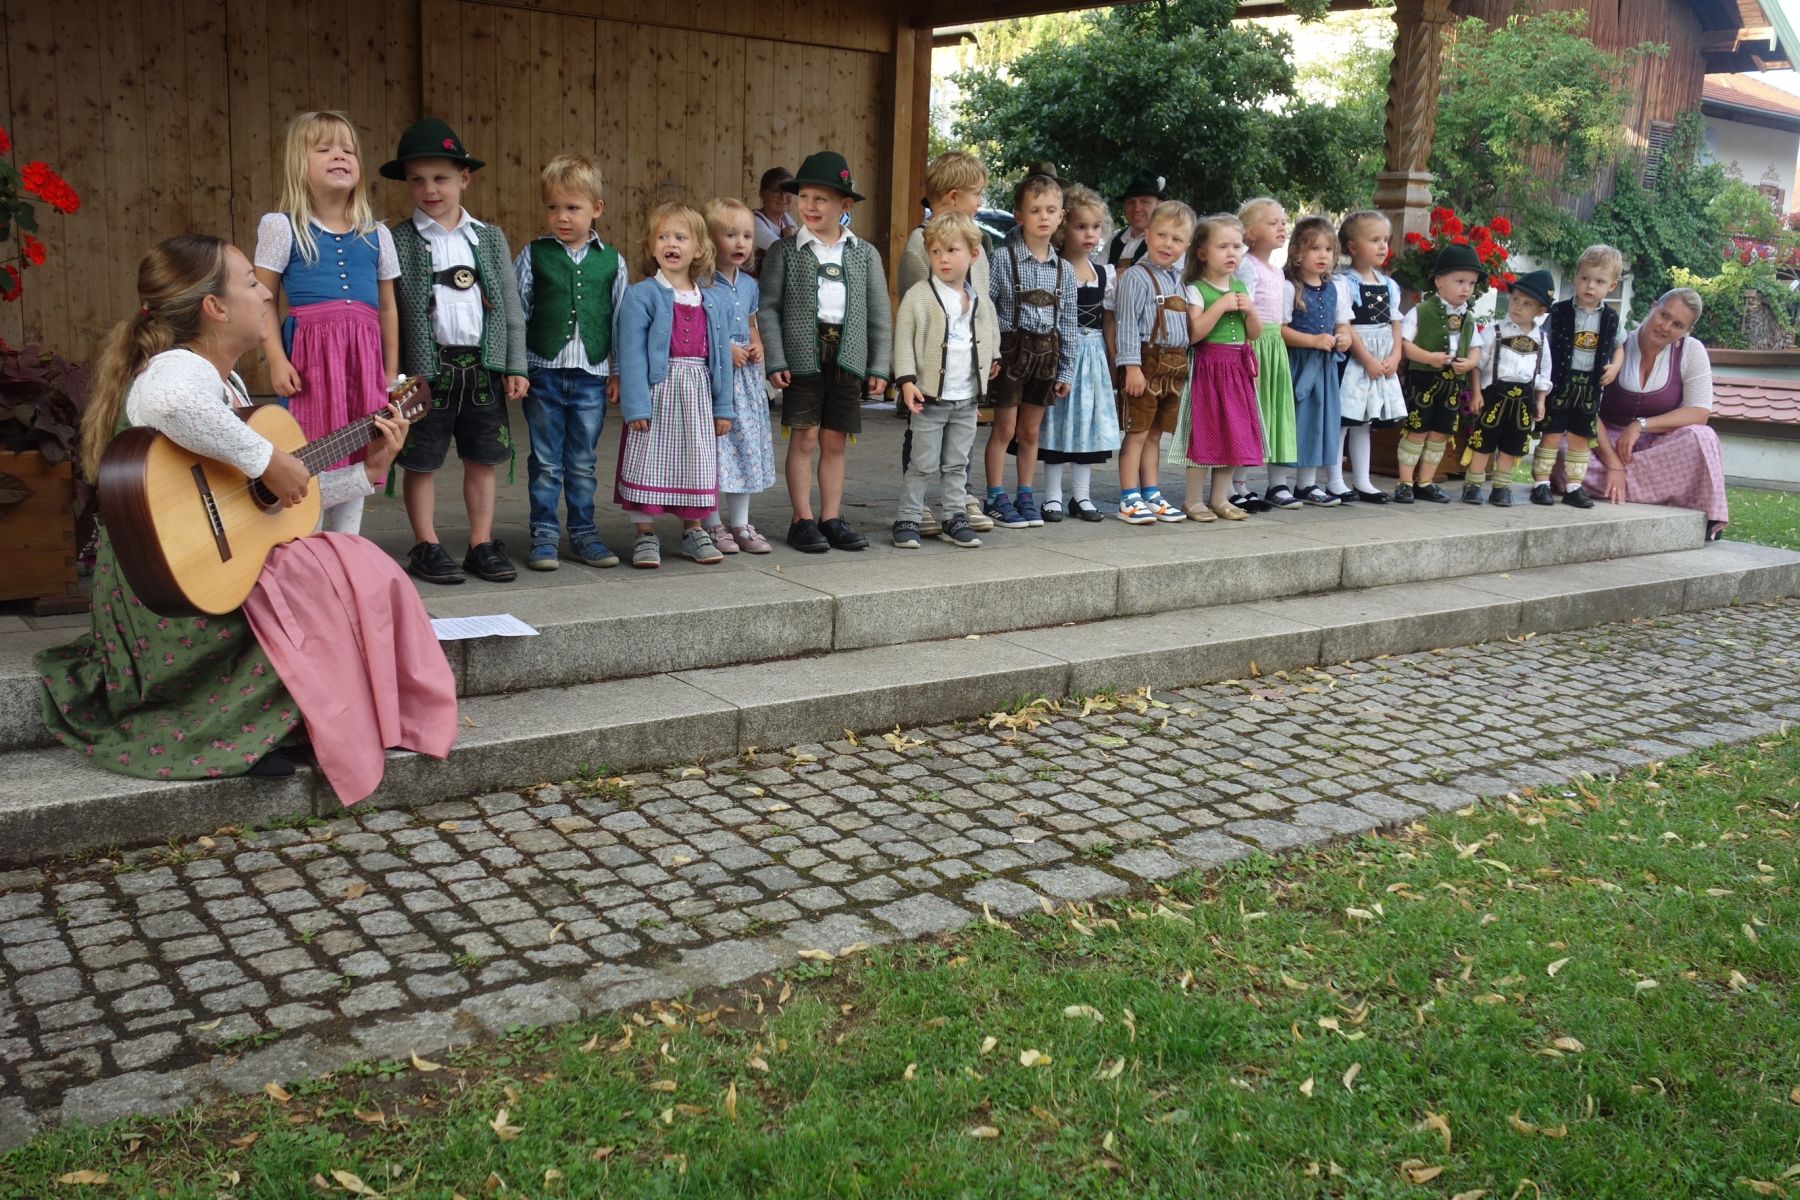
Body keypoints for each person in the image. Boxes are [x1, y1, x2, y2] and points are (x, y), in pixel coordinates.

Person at [38, 234, 455, 802]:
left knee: (343, 565)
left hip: (206, 572)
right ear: (215, 307)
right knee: (340, 573)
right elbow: (170, 405)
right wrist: (267, 458)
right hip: (169, 593)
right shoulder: (176, 368)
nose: (265, 294)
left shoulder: (228, 384)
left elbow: (269, 505)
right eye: (252, 283)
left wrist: (368, 469)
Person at [384, 119, 528, 585]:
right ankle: (426, 544)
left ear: (464, 179)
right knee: (421, 460)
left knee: (482, 459)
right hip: (423, 374)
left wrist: (516, 364)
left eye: (441, 178)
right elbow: (389, 309)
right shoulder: (397, 240)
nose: (430, 189)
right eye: (417, 179)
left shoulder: (488, 237)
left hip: (481, 369)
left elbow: (510, 307)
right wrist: (391, 372)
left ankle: (481, 543)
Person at [252, 110, 400, 535]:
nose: (340, 156)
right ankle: (307, 538)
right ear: (300, 163)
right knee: (310, 445)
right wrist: (276, 359)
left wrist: (389, 373)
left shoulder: (377, 234)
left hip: (362, 359)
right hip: (311, 360)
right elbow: (263, 299)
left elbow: (388, 309)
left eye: (348, 150)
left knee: (358, 443)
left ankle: (346, 542)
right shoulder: (282, 227)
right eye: (324, 149)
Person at [758, 150, 891, 553]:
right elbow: (768, 308)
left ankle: (831, 517)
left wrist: (879, 366)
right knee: (804, 439)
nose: (810, 206)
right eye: (804, 197)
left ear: (844, 205)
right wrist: (775, 359)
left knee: (834, 441)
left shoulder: (864, 254)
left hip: (847, 359)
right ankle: (802, 519)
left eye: (821, 199)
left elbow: (878, 315)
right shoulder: (785, 252)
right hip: (802, 359)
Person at [512, 153, 629, 572]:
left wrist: (617, 372)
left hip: (591, 377)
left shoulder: (612, 261)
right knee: (545, 461)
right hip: (543, 372)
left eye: (573, 208)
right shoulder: (533, 255)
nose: (562, 217)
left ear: (596, 209)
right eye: (553, 207)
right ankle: (544, 534)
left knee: (582, 461)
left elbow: (620, 321)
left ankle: (584, 533)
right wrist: (517, 368)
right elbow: (517, 313)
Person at [614, 202, 736, 568]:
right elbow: (632, 354)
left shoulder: (712, 300)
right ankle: (644, 533)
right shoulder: (641, 295)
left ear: (698, 249)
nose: (671, 243)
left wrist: (723, 407)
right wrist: (636, 405)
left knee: (695, 459)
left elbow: (722, 357)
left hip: (697, 395)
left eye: (680, 237)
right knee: (647, 459)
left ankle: (693, 530)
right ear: (652, 247)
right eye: (663, 237)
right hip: (657, 394)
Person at [893, 150, 996, 538]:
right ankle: (916, 506)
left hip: (965, 367)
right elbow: (914, 311)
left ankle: (960, 499)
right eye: (977, 194)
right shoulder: (920, 244)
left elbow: (984, 307)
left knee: (960, 435)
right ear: (954, 196)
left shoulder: (975, 245)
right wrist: (909, 373)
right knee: (921, 436)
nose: (980, 202)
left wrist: (990, 352)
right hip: (929, 372)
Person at [1581, 287, 1729, 538]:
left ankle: (1615, 487)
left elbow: (1699, 412)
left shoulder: (1691, 351)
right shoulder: (1615, 343)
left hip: (1657, 448)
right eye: (1664, 315)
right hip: (1603, 442)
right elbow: (1587, 408)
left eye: (1678, 325)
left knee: (1702, 437)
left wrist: (1640, 425)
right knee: (1565, 451)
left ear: (1687, 330)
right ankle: (1657, 489)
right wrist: (1614, 463)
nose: (1666, 327)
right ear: (1652, 307)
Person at [985, 171, 1075, 529]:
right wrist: (990, 354)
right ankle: (995, 496)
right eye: (1035, 210)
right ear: (1019, 216)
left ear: (1061, 216)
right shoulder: (1002, 259)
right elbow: (986, 310)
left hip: (1046, 359)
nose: (1043, 217)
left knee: (1031, 433)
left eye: (1051, 210)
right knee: (1004, 428)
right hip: (1010, 357)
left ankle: (1025, 493)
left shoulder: (1065, 270)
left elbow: (1068, 324)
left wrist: (1066, 370)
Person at [1170, 211, 1265, 522]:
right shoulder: (1197, 289)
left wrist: (1251, 312)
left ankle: (1220, 498)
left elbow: (1254, 333)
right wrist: (1221, 306)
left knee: (1234, 433)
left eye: (1237, 246)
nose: (1231, 253)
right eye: (1223, 247)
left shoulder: (1241, 286)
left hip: (1237, 369)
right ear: (1202, 253)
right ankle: (1193, 500)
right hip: (1209, 369)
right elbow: (1194, 333)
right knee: (1205, 432)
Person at [1038, 184, 1122, 522]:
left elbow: (1109, 322)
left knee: (1088, 425)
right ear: (1063, 228)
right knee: (1057, 423)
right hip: (1062, 354)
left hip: (1094, 357)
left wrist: (1114, 363)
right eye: (1081, 226)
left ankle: (1082, 495)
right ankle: (1052, 496)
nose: (1090, 234)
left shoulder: (1104, 274)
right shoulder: (1054, 268)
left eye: (1096, 227)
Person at [1112, 199, 1196, 524]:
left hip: (1173, 366)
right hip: (1145, 364)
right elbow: (1126, 324)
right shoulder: (1136, 276)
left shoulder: (1179, 280)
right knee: (1136, 431)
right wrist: (1131, 366)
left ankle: (1151, 493)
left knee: (1155, 434)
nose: (1167, 244)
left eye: (1176, 239)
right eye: (1161, 235)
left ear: (1186, 245)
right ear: (1147, 234)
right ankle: (1128, 497)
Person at [701, 197, 776, 554]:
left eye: (746, 236)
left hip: (745, 381)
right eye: (730, 235)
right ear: (710, 239)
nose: (741, 243)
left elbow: (751, 323)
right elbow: (696, 331)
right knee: (716, 450)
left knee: (744, 448)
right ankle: (712, 522)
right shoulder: (701, 284)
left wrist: (757, 344)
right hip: (715, 379)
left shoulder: (748, 285)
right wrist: (723, 349)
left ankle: (741, 522)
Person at [1532, 244, 1625, 509]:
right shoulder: (1559, 312)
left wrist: (1615, 367)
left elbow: (1619, 346)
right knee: (1552, 432)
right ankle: (1541, 483)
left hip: (1589, 387)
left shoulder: (1611, 318)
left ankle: (1574, 486)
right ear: (1575, 277)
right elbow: (1543, 342)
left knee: (1580, 437)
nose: (1590, 286)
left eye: (1599, 281)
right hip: (1560, 382)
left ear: (1612, 286)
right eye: (1585, 278)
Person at [1395, 242, 1483, 504]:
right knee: (1416, 430)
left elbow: (1476, 349)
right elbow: (1405, 344)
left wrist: (1469, 363)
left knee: (1440, 433)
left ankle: (1426, 481)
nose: (1466, 288)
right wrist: (1428, 357)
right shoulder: (1421, 311)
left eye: (1471, 283)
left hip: (1452, 384)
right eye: (1460, 281)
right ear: (1439, 281)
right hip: (1423, 380)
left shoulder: (1468, 318)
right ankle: (1405, 482)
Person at [1464, 269, 1554, 506]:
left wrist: (1541, 400)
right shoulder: (1494, 332)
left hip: (1524, 399)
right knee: (1483, 441)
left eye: (1527, 304)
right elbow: (1477, 365)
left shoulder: (1541, 340)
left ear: (1540, 311)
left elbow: (1544, 373)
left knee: (1511, 445)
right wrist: (1476, 393)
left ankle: (1501, 487)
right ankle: (1473, 485)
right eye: (1515, 299)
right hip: (1494, 395)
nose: (1518, 307)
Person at [1332, 210, 1405, 503]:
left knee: (1364, 422)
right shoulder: (1344, 283)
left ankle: (1363, 481)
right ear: (1352, 246)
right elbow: (1345, 324)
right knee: (1343, 420)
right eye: (1374, 240)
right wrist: (1366, 359)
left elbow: (1395, 322)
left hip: (1381, 358)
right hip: (1356, 359)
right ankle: (1335, 480)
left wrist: (1396, 354)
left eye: (1385, 239)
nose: (1383, 246)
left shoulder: (1388, 284)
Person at [1233, 197, 1297, 510]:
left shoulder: (1278, 272)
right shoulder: (1247, 266)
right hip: (1255, 344)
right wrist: (1246, 348)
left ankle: (1275, 482)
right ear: (1250, 233)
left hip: (1275, 346)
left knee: (1274, 411)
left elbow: (1281, 318)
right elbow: (1243, 309)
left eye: (1283, 222)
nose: (1282, 227)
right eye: (1272, 223)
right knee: (1250, 413)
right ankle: (1236, 483)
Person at [1281, 215, 1348, 508]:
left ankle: (1306, 483)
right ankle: (1277, 483)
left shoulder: (1336, 287)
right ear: (1297, 251)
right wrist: (1312, 341)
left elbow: (1342, 324)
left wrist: (1343, 338)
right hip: (1297, 362)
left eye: (1328, 249)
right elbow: (1280, 329)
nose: (1323, 255)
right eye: (1315, 248)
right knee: (1291, 421)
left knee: (1317, 422)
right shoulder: (1289, 287)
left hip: (1323, 366)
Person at [1105, 170, 1164, 270]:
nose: (1137, 208)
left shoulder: (1165, 242)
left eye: (1144, 202)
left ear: (1158, 205)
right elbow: (1095, 273)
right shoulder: (1115, 239)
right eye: (1131, 202)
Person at [751, 166, 796, 277]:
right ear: (762, 194)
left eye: (788, 192)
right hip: (756, 284)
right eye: (776, 192)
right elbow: (783, 252)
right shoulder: (754, 221)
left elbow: (805, 246)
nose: (783, 198)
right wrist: (789, 237)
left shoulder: (786, 218)